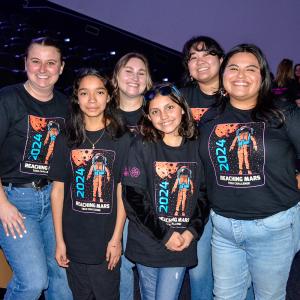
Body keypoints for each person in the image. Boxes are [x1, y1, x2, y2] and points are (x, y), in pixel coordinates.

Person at [199, 43, 300, 300]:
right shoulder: (210, 118)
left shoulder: (284, 112)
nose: (241, 75)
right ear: (223, 76)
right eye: (233, 68)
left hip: (272, 227)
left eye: (250, 69)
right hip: (223, 228)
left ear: (262, 76)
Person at [0, 37, 72, 300]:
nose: (43, 69)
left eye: (51, 63)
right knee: (33, 282)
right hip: (14, 201)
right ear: (25, 64)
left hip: (52, 199)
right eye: (36, 61)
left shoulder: (66, 107)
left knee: (62, 280)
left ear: (61, 67)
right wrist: (2, 205)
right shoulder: (7, 99)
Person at [49, 68, 131, 300]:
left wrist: (116, 240)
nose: (92, 100)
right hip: (74, 240)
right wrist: (59, 241)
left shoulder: (122, 138)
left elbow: (121, 190)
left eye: (99, 92)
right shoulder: (66, 138)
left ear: (109, 96)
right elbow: (57, 191)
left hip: (105, 240)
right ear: (77, 98)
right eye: (85, 93)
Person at [122, 83, 208, 300]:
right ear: (148, 117)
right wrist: (164, 234)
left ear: (182, 108)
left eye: (169, 108)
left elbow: (205, 194)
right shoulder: (141, 145)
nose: (164, 116)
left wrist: (192, 231)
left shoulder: (198, 145)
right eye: (155, 111)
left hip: (181, 240)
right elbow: (134, 198)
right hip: (147, 240)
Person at [181, 36, 224, 300]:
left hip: (233, 194)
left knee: (239, 271)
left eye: (207, 54)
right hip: (197, 197)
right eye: (193, 58)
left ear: (220, 60)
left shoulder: (238, 92)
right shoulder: (182, 98)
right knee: (198, 271)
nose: (201, 61)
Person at [111, 52, 152, 300]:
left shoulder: (157, 115)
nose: (134, 77)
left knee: (148, 269)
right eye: (128, 70)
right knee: (121, 265)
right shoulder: (101, 112)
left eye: (141, 72)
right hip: (111, 203)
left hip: (148, 203)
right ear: (116, 76)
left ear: (148, 81)